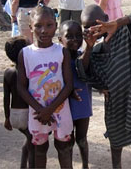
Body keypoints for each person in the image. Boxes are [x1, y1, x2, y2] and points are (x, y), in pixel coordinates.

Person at [77, 4, 131, 168]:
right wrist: (88, 48)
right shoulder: (96, 51)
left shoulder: (127, 34)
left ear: (105, 19)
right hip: (114, 107)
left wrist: (118, 23)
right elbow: (84, 73)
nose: (92, 29)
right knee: (115, 145)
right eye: (87, 27)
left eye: (95, 23)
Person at [16, 4, 81, 168]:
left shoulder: (61, 52)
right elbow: (21, 87)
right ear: (30, 27)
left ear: (56, 26)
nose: (44, 30)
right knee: (39, 150)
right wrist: (41, 109)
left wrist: (50, 109)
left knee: (64, 148)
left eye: (49, 25)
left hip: (60, 109)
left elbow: (68, 85)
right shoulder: (25, 53)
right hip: (37, 112)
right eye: (38, 26)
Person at [59, 20, 93, 169]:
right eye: (69, 36)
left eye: (78, 35)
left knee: (82, 139)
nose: (75, 39)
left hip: (82, 103)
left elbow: (83, 67)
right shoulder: (58, 59)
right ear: (60, 39)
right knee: (68, 139)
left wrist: (89, 46)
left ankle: (85, 165)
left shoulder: (82, 55)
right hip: (65, 103)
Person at [3, 36, 35, 168]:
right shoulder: (29, 71)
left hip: (15, 115)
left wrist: (7, 118)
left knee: (28, 139)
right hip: (27, 114)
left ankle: (23, 165)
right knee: (34, 145)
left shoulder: (8, 72)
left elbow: (6, 97)